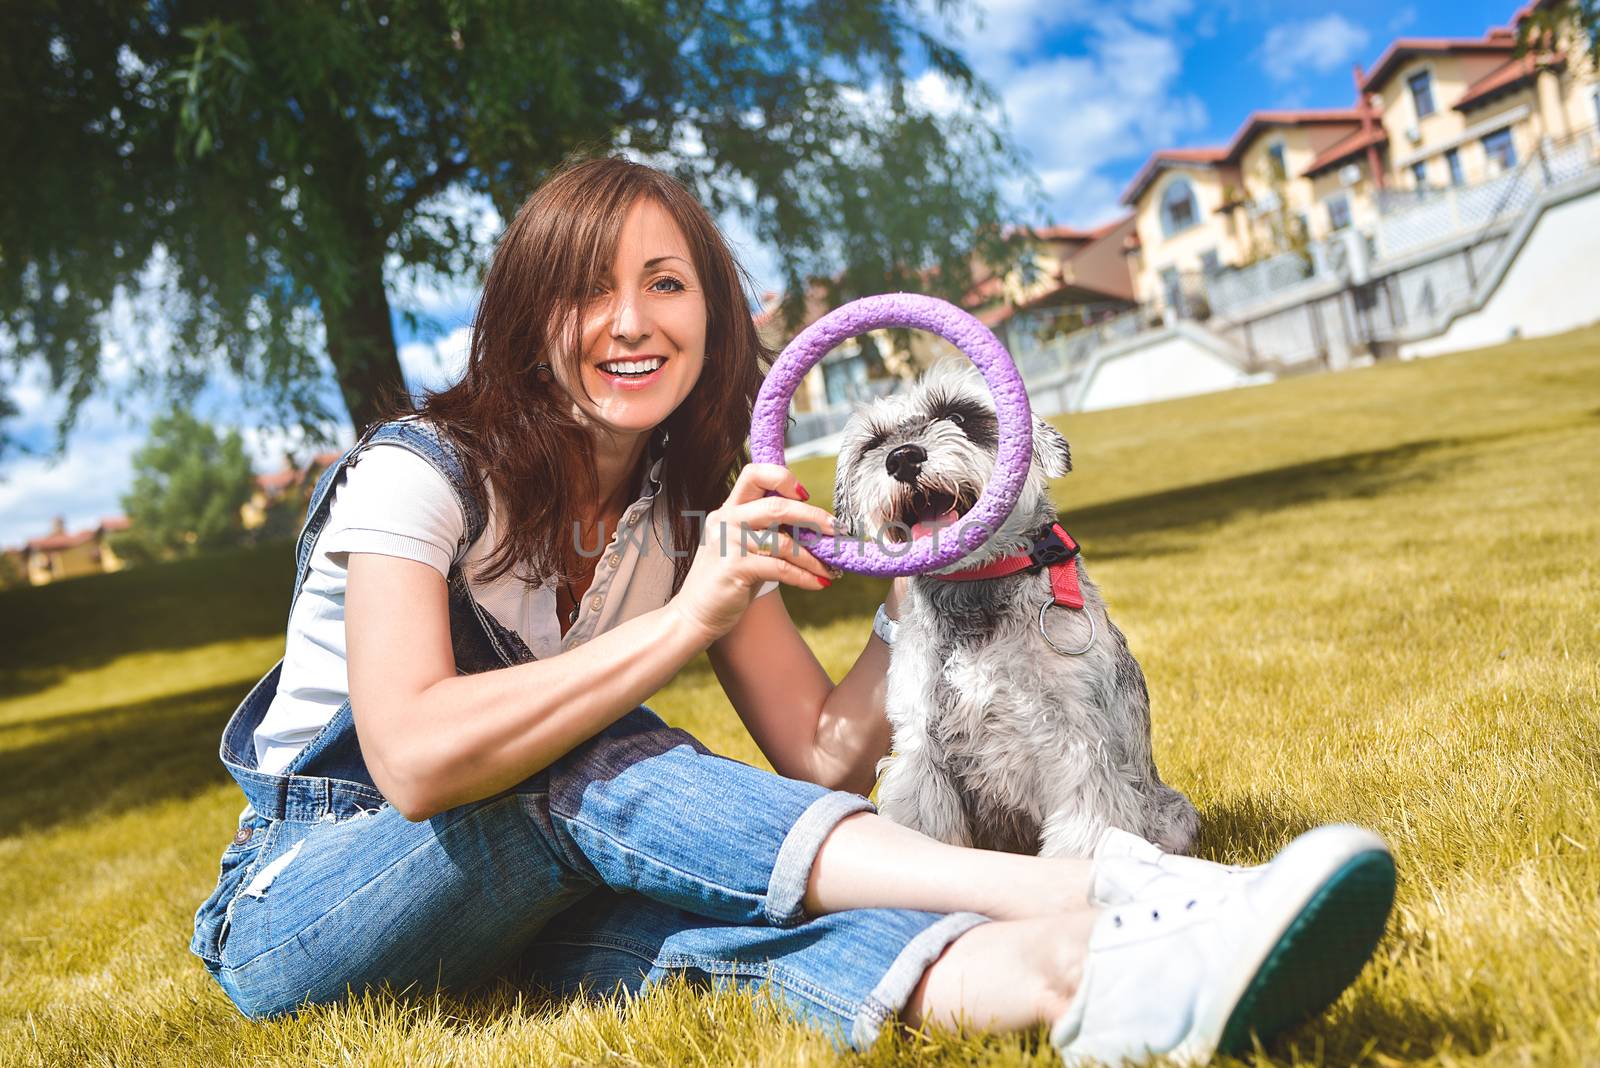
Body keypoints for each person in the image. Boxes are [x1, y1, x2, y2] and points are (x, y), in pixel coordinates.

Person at [190, 156, 1395, 1065]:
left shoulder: (684, 513)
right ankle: (1106, 890)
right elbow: (410, 757)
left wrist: (938, 570)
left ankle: (1092, 982)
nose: (629, 320)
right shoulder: (417, 471)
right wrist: (685, 620)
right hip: (306, 905)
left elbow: (818, 749)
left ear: (710, 314)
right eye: (585, 291)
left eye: (665, 283)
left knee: (717, 937)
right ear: (524, 316)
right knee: (592, 763)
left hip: (508, 913)